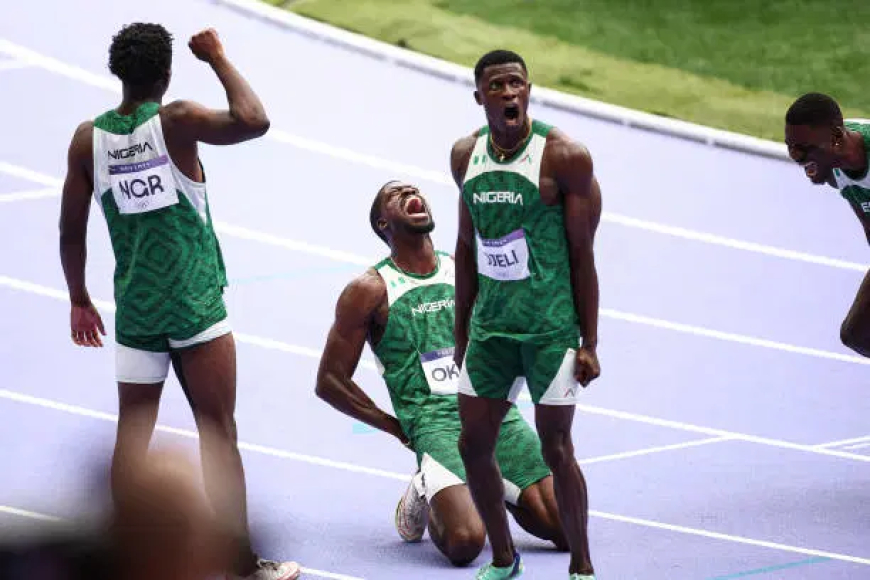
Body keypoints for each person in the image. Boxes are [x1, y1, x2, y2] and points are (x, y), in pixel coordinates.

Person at [58, 22, 299, 580]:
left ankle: (123, 560)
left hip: (137, 308)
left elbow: (72, 231)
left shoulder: (86, 139)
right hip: (195, 308)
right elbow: (254, 120)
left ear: (117, 72)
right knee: (218, 433)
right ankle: (242, 566)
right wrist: (217, 57)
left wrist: (78, 298)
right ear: (167, 74)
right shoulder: (176, 120)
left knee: (132, 436)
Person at [315, 180, 568, 567]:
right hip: (435, 423)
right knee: (466, 542)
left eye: (414, 190)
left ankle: (491, 484)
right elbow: (329, 380)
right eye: (396, 196)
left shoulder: (466, 268)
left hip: (492, 411)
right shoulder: (369, 290)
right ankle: (426, 486)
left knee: (566, 528)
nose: (411, 194)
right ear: (383, 224)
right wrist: (396, 426)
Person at [451, 49, 602, 579]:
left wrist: (589, 342)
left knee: (557, 448)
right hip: (491, 330)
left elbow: (583, 256)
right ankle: (503, 557)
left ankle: (582, 566)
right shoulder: (464, 155)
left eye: (516, 84)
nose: (509, 94)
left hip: (549, 331)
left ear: (529, 89)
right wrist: (461, 332)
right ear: (480, 97)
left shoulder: (563, 156)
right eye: (497, 87)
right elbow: (466, 249)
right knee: (473, 445)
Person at [784, 92, 870, 356]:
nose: (797, 156)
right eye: (791, 146)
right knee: (857, 334)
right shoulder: (835, 169)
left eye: (805, 148)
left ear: (835, 138)